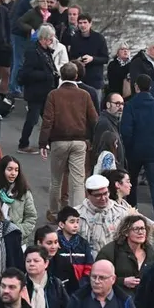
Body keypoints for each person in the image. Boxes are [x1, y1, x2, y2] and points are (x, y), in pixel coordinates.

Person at [39, 61, 98, 219]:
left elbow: (47, 120)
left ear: (61, 75)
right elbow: (94, 119)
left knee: (56, 179)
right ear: (76, 75)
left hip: (58, 141)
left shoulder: (54, 95)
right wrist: (92, 139)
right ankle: (77, 214)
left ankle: (53, 212)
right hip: (79, 142)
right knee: (78, 181)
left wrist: (43, 142)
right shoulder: (84, 95)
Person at [120, 74, 154, 227]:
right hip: (153, 150)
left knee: (132, 182)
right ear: (151, 87)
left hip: (134, 150)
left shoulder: (130, 105)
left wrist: (127, 148)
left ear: (136, 87)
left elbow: (126, 130)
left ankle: (133, 213)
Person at [17, 24, 59, 154]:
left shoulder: (44, 51)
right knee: (33, 118)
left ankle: (50, 141)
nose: (52, 42)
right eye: (51, 39)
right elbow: (27, 73)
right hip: (36, 92)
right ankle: (23, 143)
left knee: (48, 117)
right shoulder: (33, 52)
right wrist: (47, 75)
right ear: (44, 39)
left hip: (45, 91)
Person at [96, 214, 154, 295]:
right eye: (136, 229)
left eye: (143, 228)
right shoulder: (110, 251)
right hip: (117, 299)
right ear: (126, 232)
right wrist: (122, 281)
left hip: (143, 301)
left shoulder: (150, 251)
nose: (141, 232)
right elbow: (98, 278)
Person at [0, 155, 37, 246]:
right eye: (9, 169)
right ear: (2, 170)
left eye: (16, 170)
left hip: (16, 241)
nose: (13, 173)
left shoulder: (24, 192)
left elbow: (31, 217)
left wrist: (16, 231)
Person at [76, 174, 130, 257]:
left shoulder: (122, 212)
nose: (103, 198)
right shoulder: (77, 215)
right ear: (88, 194)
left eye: (105, 193)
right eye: (98, 195)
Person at [68, 13, 109, 105]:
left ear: (90, 24)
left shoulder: (99, 38)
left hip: (95, 79)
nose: (82, 25)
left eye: (85, 22)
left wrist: (92, 59)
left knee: (95, 106)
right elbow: (71, 58)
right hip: (79, 78)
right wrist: (77, 60)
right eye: (80, 23)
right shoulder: (75, 38)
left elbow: (105, 58)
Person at [55, 207, 94, 293]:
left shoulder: (83, 243)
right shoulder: (55, 243)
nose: (76, 225)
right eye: (72, 222)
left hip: (80, 286)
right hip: (59, 286)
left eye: (77, 221)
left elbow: (89, 265)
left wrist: (83, 283)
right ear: (61, 224)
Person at [92, 91, 125, 170]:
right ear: (108, 105)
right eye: (117, 103)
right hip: (109, 171)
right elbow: (100, 149)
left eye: (122, 104)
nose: (120, 107)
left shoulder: (114, 122)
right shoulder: (104, 123)